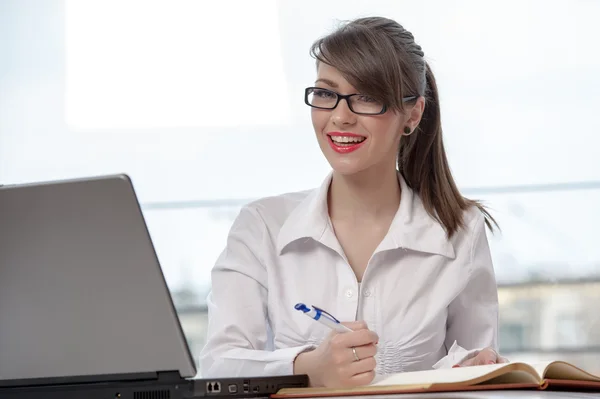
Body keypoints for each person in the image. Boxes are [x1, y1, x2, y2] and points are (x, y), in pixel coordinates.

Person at [199, 16, 506, 387]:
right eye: (326, 94)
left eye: (367, 97)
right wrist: (308, 366)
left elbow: (479, 367)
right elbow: (218, 367)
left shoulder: (460, 230)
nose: (340, 117)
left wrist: (477, 366)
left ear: (413, 114)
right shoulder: (262, 226)